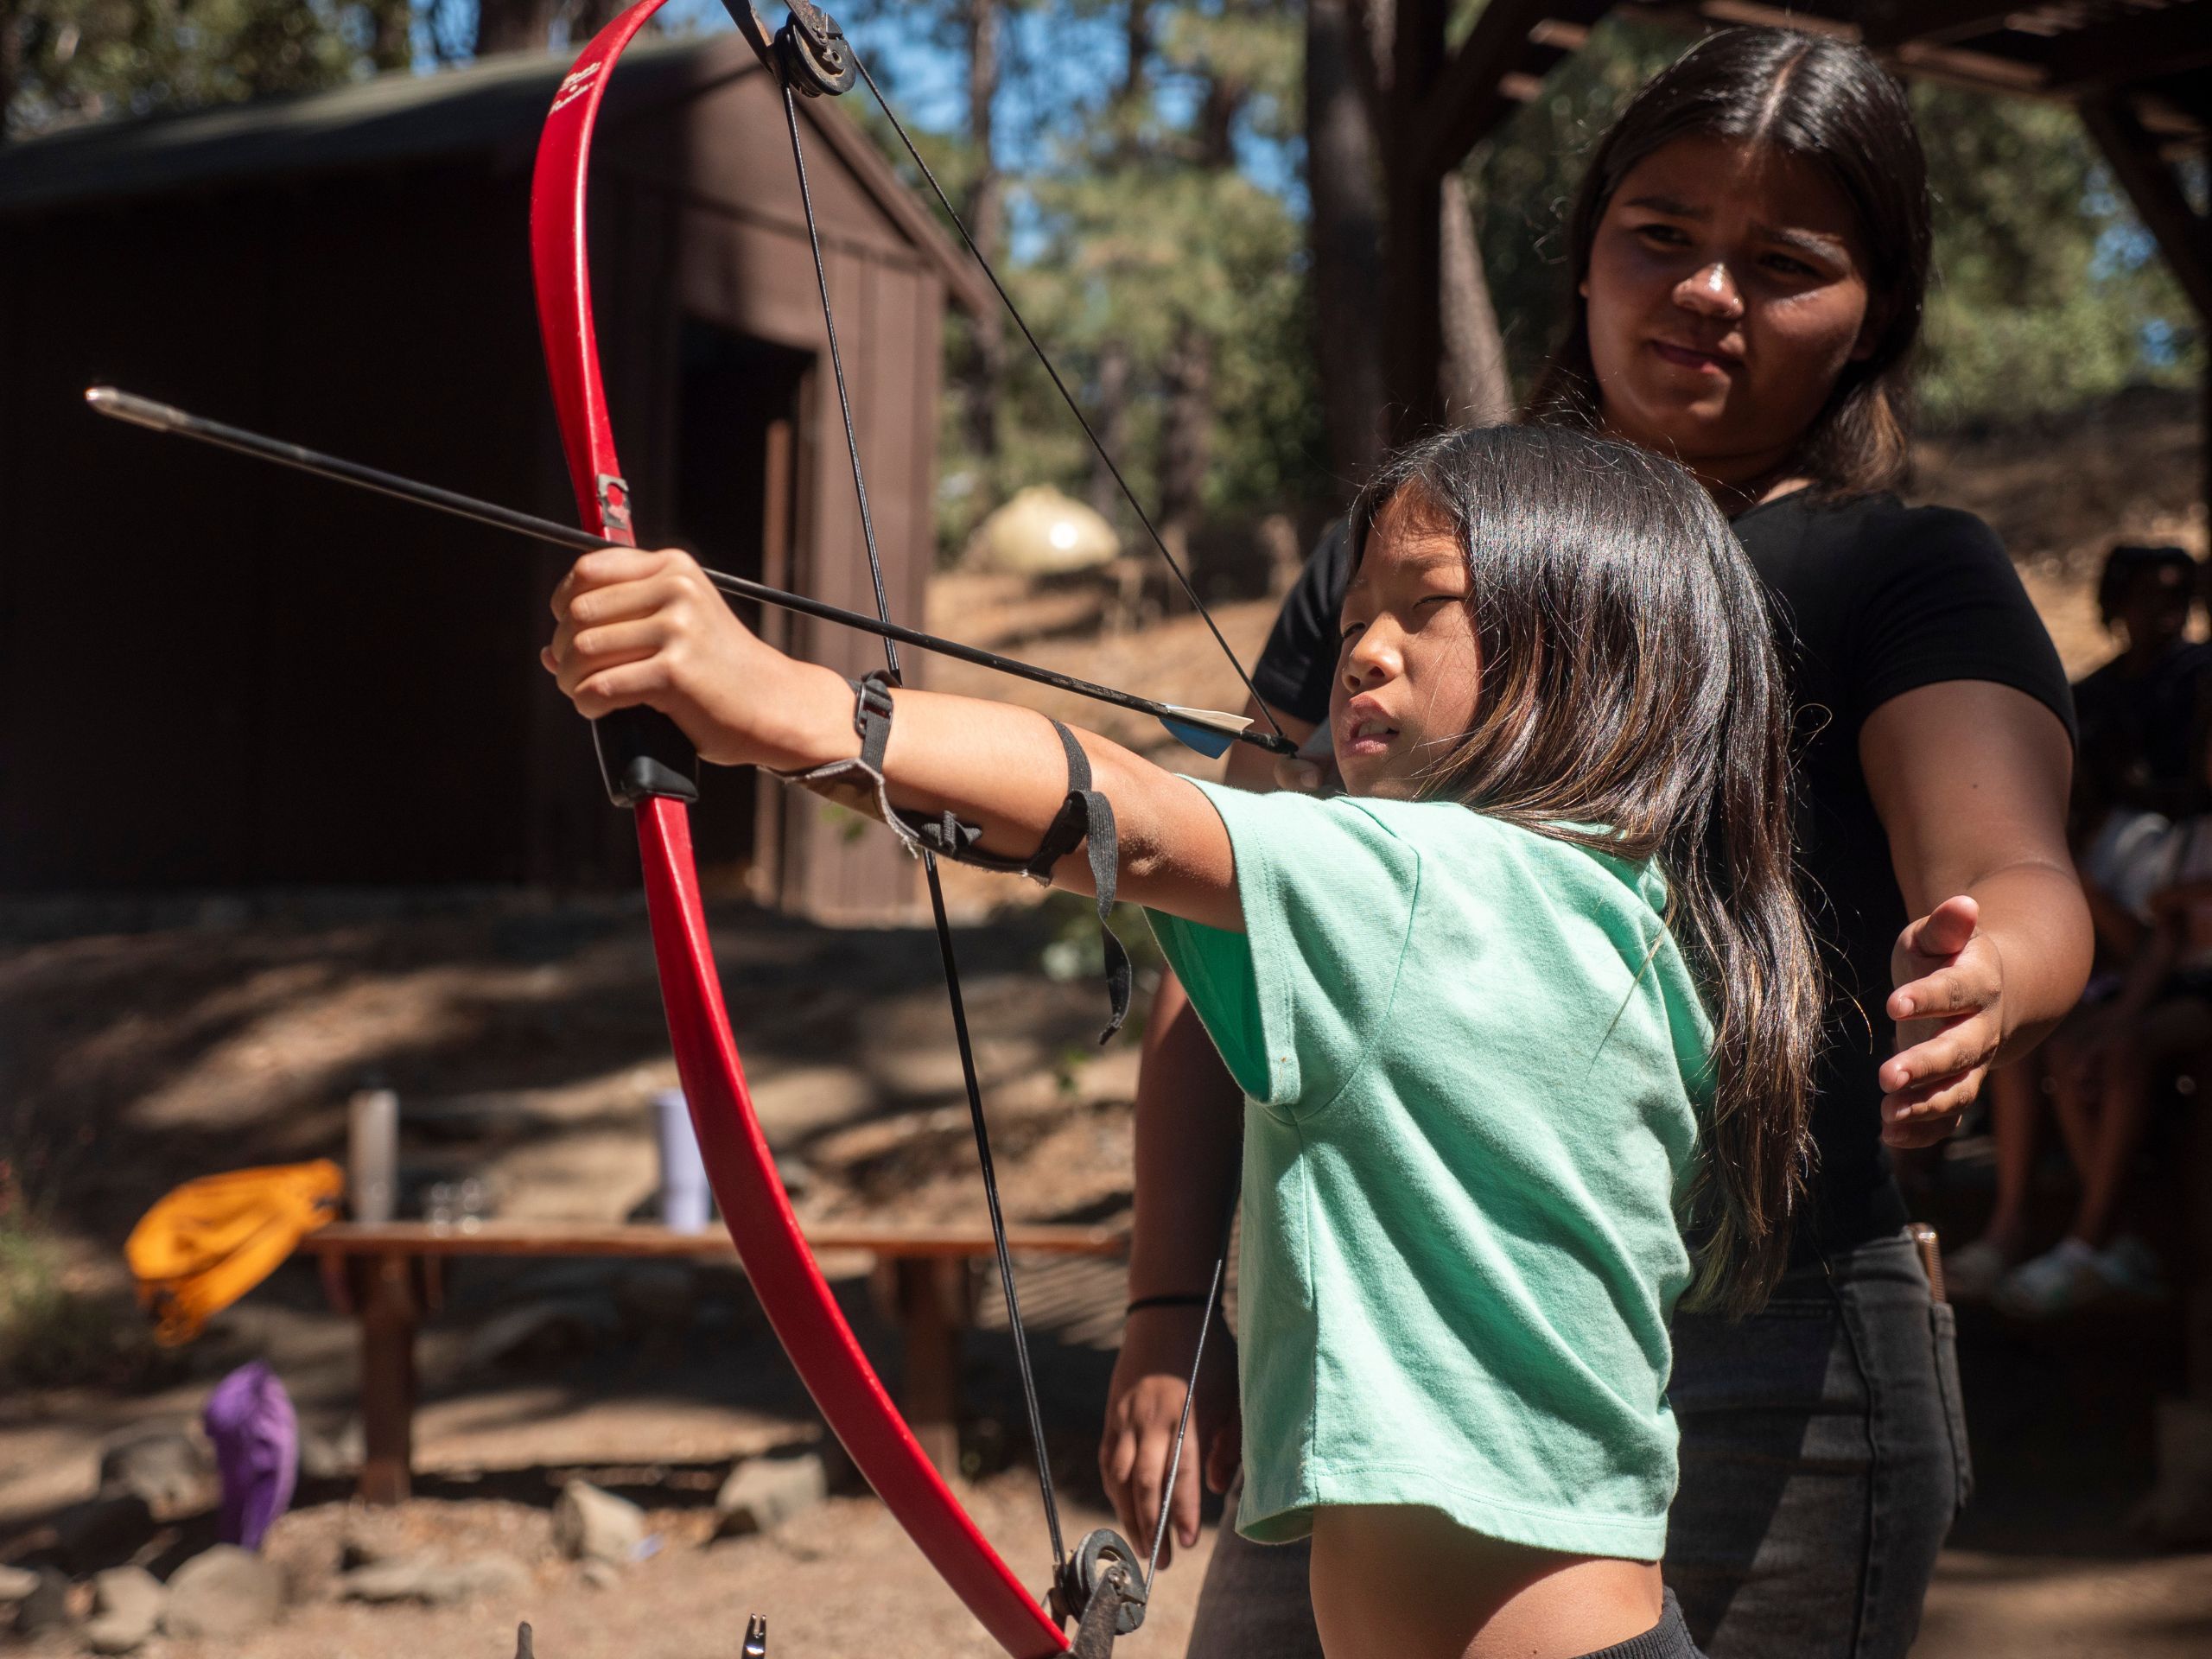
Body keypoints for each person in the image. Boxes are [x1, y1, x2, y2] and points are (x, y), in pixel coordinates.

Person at [1098, 27, 2090, 1659]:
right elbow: (1234, 923)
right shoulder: (1404, 551)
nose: (1709, 292)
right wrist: (1165, 1314)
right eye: (1663, 235)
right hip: (1383, 1353)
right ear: (1584, 255)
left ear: (1876, 317)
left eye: (1784, 264)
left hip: (1770, 1356)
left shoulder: (1900, 570)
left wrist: (2001, 977)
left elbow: (2016, 870)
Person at [540, 422, 1821, 1659]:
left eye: (1421, 606)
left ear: (1593, 652)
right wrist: (785, 738)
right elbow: (1096, 826)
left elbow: (1131, 818)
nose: (1362, 648)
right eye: (1357, 610)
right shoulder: (1615, 921)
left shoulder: (1441, 891)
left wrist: (797, 705)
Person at [1949, 543, 2206, 1300]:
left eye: (2177, 595)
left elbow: (2146, 944)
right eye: (2145, 594)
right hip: (2134, 971)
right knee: (2025, 1043)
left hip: (2168, 979)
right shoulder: (2092, 712)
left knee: (2107, 1049)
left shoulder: (2163, 821)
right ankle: (2014, 1224)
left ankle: (2098, 1237)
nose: (2162, 611)